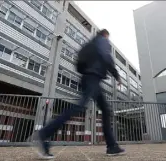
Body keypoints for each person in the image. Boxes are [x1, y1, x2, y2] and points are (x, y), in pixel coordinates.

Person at [34, 29, 125, 159]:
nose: (108, 40)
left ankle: (112, 147)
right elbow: (106, 57)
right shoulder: (102, 41)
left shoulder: (89, 44)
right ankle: (44, 133)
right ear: (105, 35)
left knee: (105, 109)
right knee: (80, 106)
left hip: (88, 78)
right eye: (107, 37)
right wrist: (116, 75)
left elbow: (79, 64)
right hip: (93, 78)